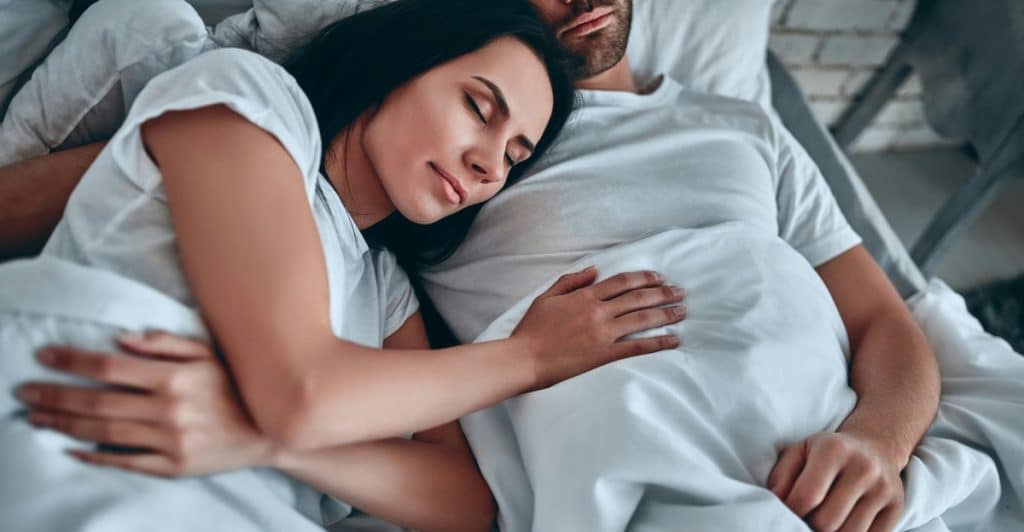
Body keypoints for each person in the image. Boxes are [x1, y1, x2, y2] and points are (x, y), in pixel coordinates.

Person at [0, 1, 945, 531]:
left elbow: (466, 503)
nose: (494, 163)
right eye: (481, 107)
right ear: (406, 55)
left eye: (520, 151)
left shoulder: (386, 289)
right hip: (84, 415)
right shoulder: (249, 102)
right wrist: (532, 357)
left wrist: (264, 444)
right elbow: (296, 387)